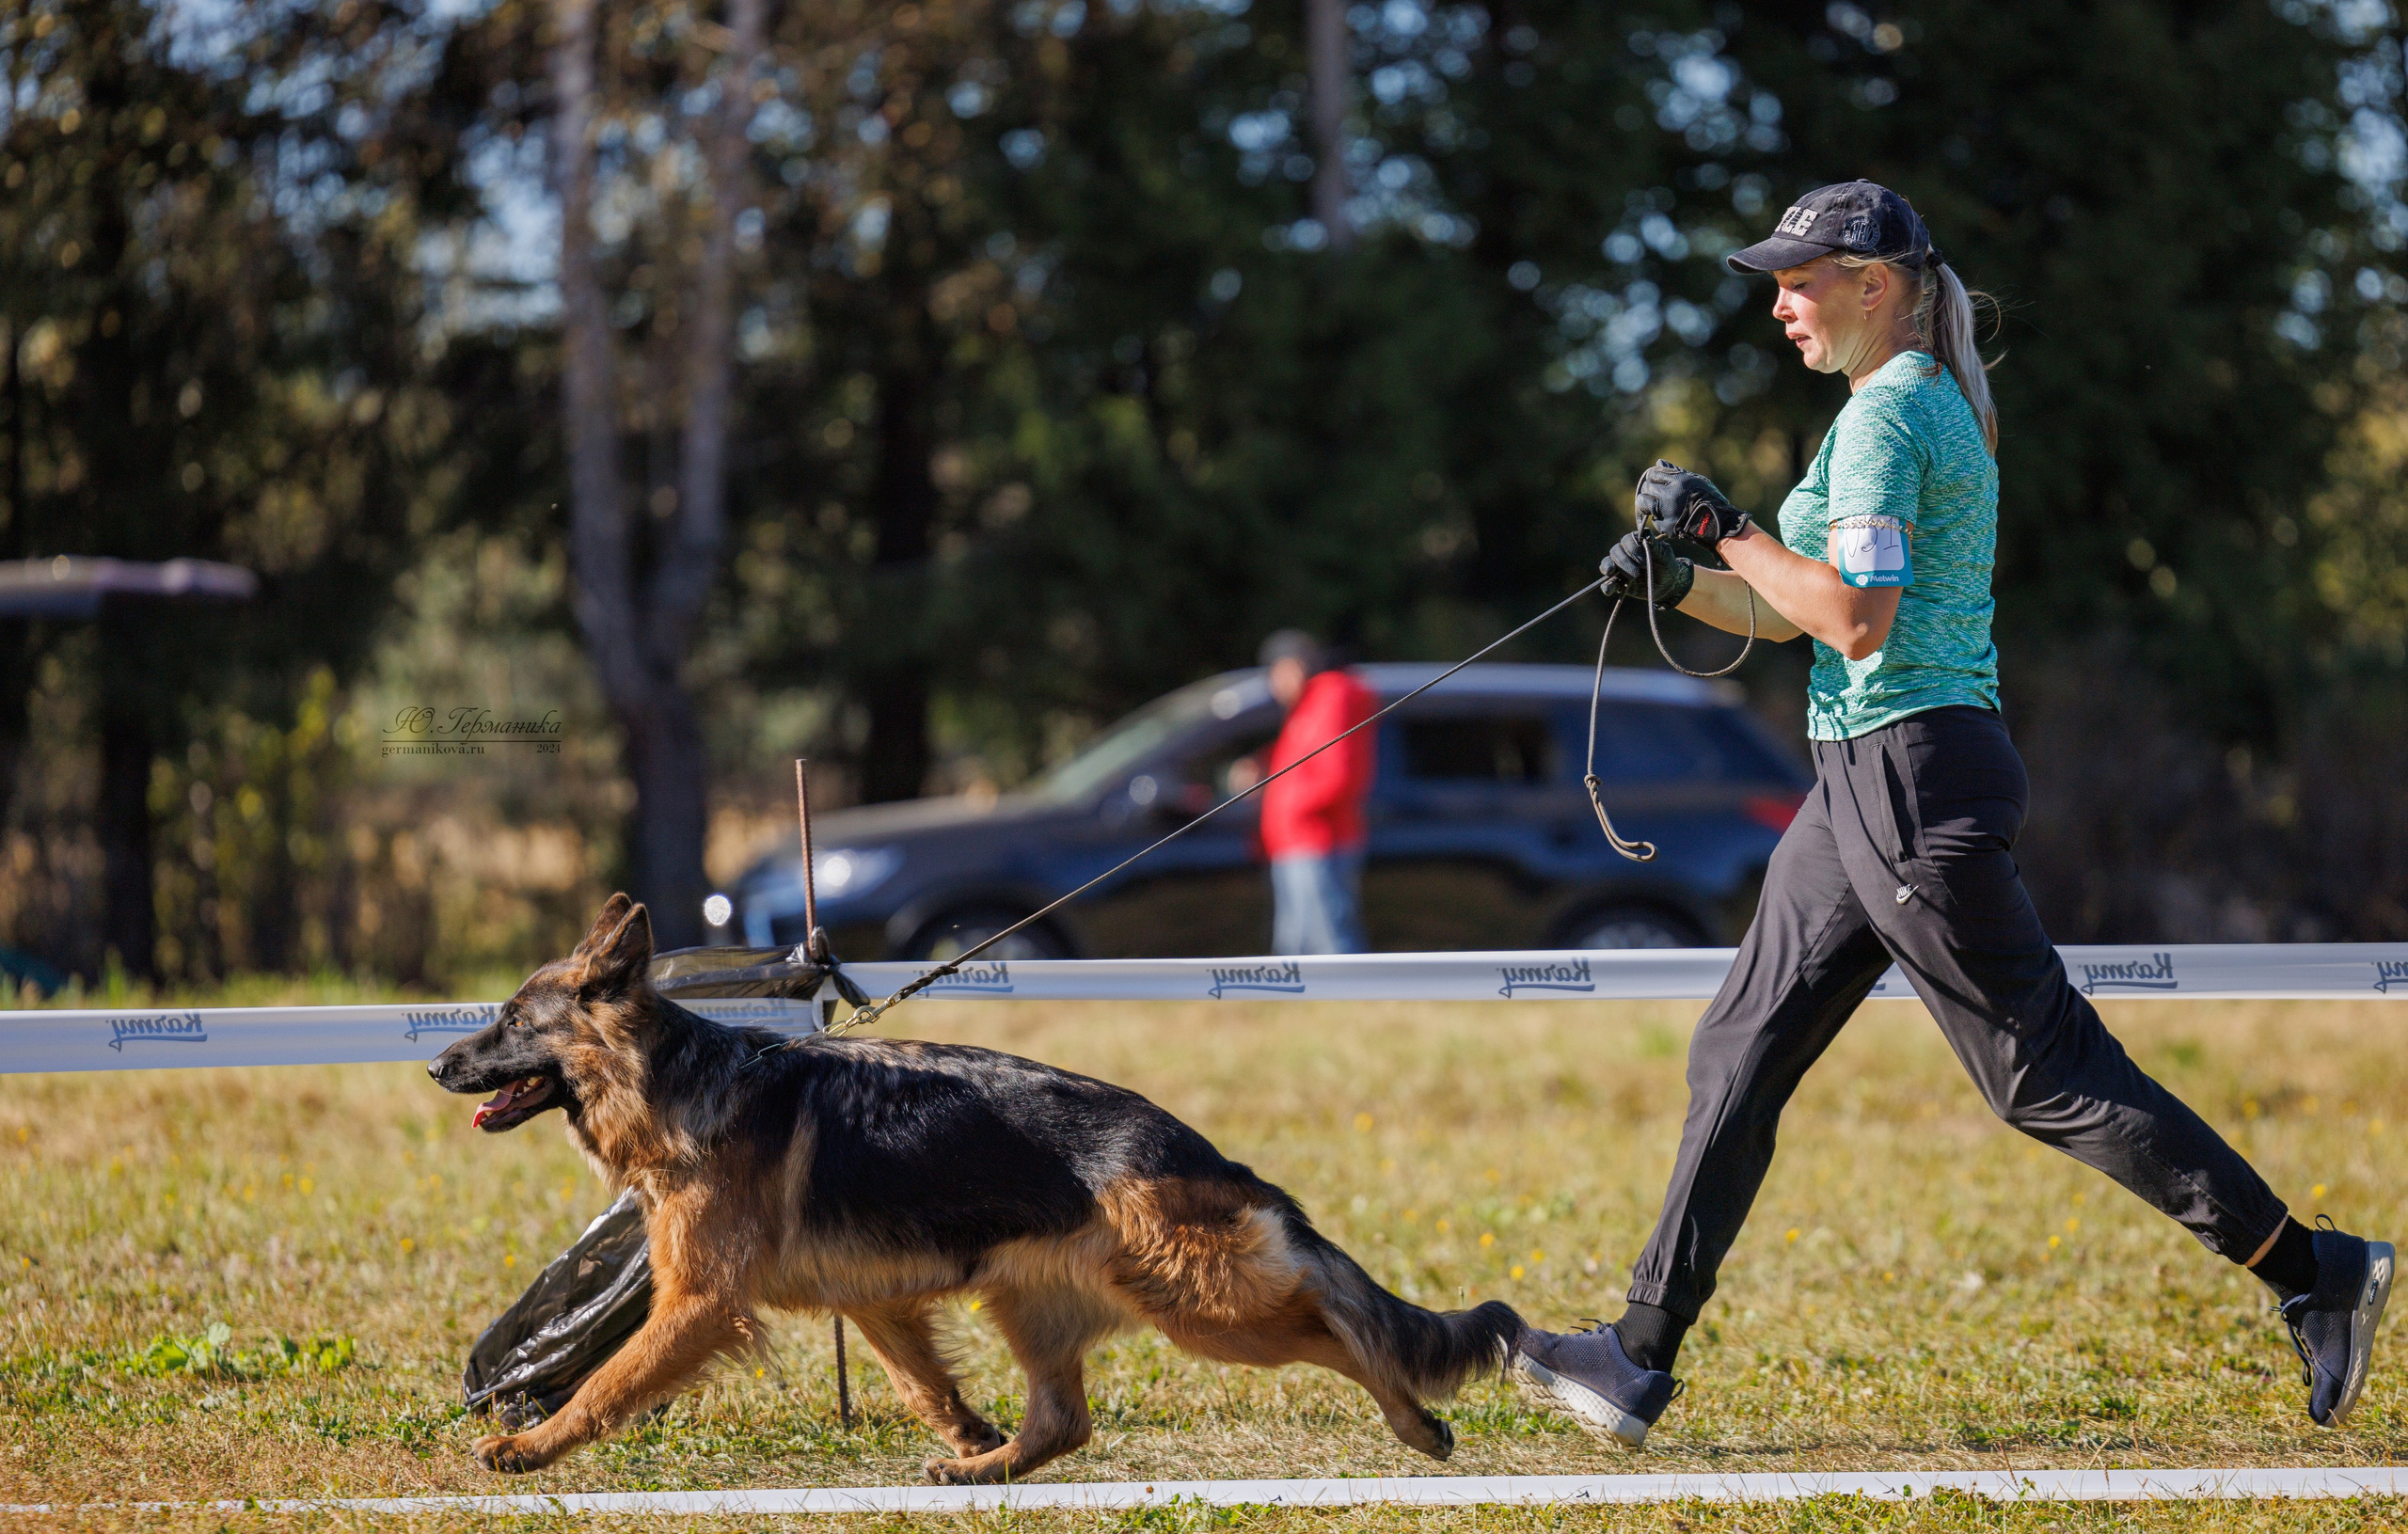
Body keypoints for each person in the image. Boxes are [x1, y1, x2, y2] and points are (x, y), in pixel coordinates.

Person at [1509, 181, 2392, 1447]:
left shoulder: (1893, 416)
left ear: (1876, 285)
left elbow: (1854, 619)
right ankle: (1635, 1357)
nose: (1780, 305)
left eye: (1799, 282)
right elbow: (1782, 609)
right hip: (1859, 782)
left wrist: (1727, 525)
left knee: (2043, 1075)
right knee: (1740, 1043)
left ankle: (2315, 1269)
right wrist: (1679, 573)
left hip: (1912, 778)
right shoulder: (1875, 412)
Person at [1254, 630, 1377, 955]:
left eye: (1275, 674)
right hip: (1294, 843)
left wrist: (1289, 807)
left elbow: (1338, 776)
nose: (1273, 685)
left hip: (1319, 842)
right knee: (1295, 945)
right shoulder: (1307, 705)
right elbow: (1302, 763)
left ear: (1294, 666)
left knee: (1329, 943)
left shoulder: (1331, 697)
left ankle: (1351, 991)